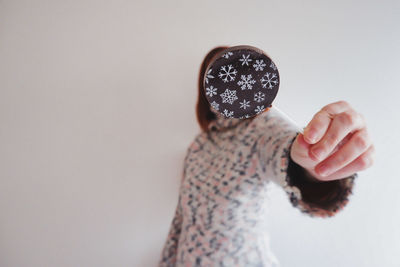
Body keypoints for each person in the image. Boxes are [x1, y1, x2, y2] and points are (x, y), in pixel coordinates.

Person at [158, 46, 375, 267]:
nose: (229, 80)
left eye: (233, 69)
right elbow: (183, 217)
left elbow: (286, 152)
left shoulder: (261, 127)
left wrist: (311, 164)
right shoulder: (199, 144)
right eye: (217, 74)